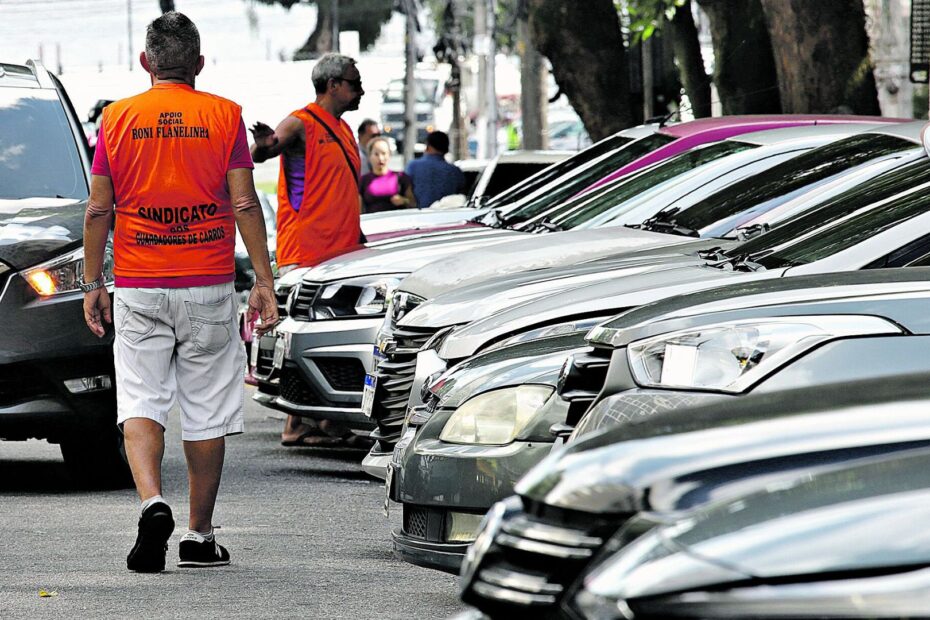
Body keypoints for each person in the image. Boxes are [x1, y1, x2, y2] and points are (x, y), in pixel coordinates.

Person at [81, 12, 278, 573]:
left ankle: (151, 502)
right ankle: (198, 534)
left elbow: (98, 209)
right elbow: (244, 203)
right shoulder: (224, 115)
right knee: (207, 410)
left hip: (139, 284)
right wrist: (263, 281)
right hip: (208, 283)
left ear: (146, 62)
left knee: (141, 400)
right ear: (198, 63)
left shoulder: (117, 119)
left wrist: (95, 282)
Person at [249, 53, 365, 447]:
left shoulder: (343, 129)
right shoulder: (302, 121)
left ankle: (325, 419)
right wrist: (264, 145)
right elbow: (267, 148)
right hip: (307, 252)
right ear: (332, 85)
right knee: (302, 336)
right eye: (353, 82)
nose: (359, 89)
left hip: (341, 248)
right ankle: (295, 423)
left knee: (327, 338)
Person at [404, 130, 465, 209]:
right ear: (446, 149)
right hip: (447, 216)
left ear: (428, 146)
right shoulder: (455, 172)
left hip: (417, 214)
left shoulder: (413, 166)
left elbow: (405, 190)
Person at [359, 136, 416, 213]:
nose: (381, 158)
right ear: (369, 156)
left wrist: (403, 200)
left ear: (389, 155)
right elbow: (358, 210)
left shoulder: (402, 178)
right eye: (376, 154)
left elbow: (414, 204)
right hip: (373, 223)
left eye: (384, 153)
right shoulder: (363, 181)